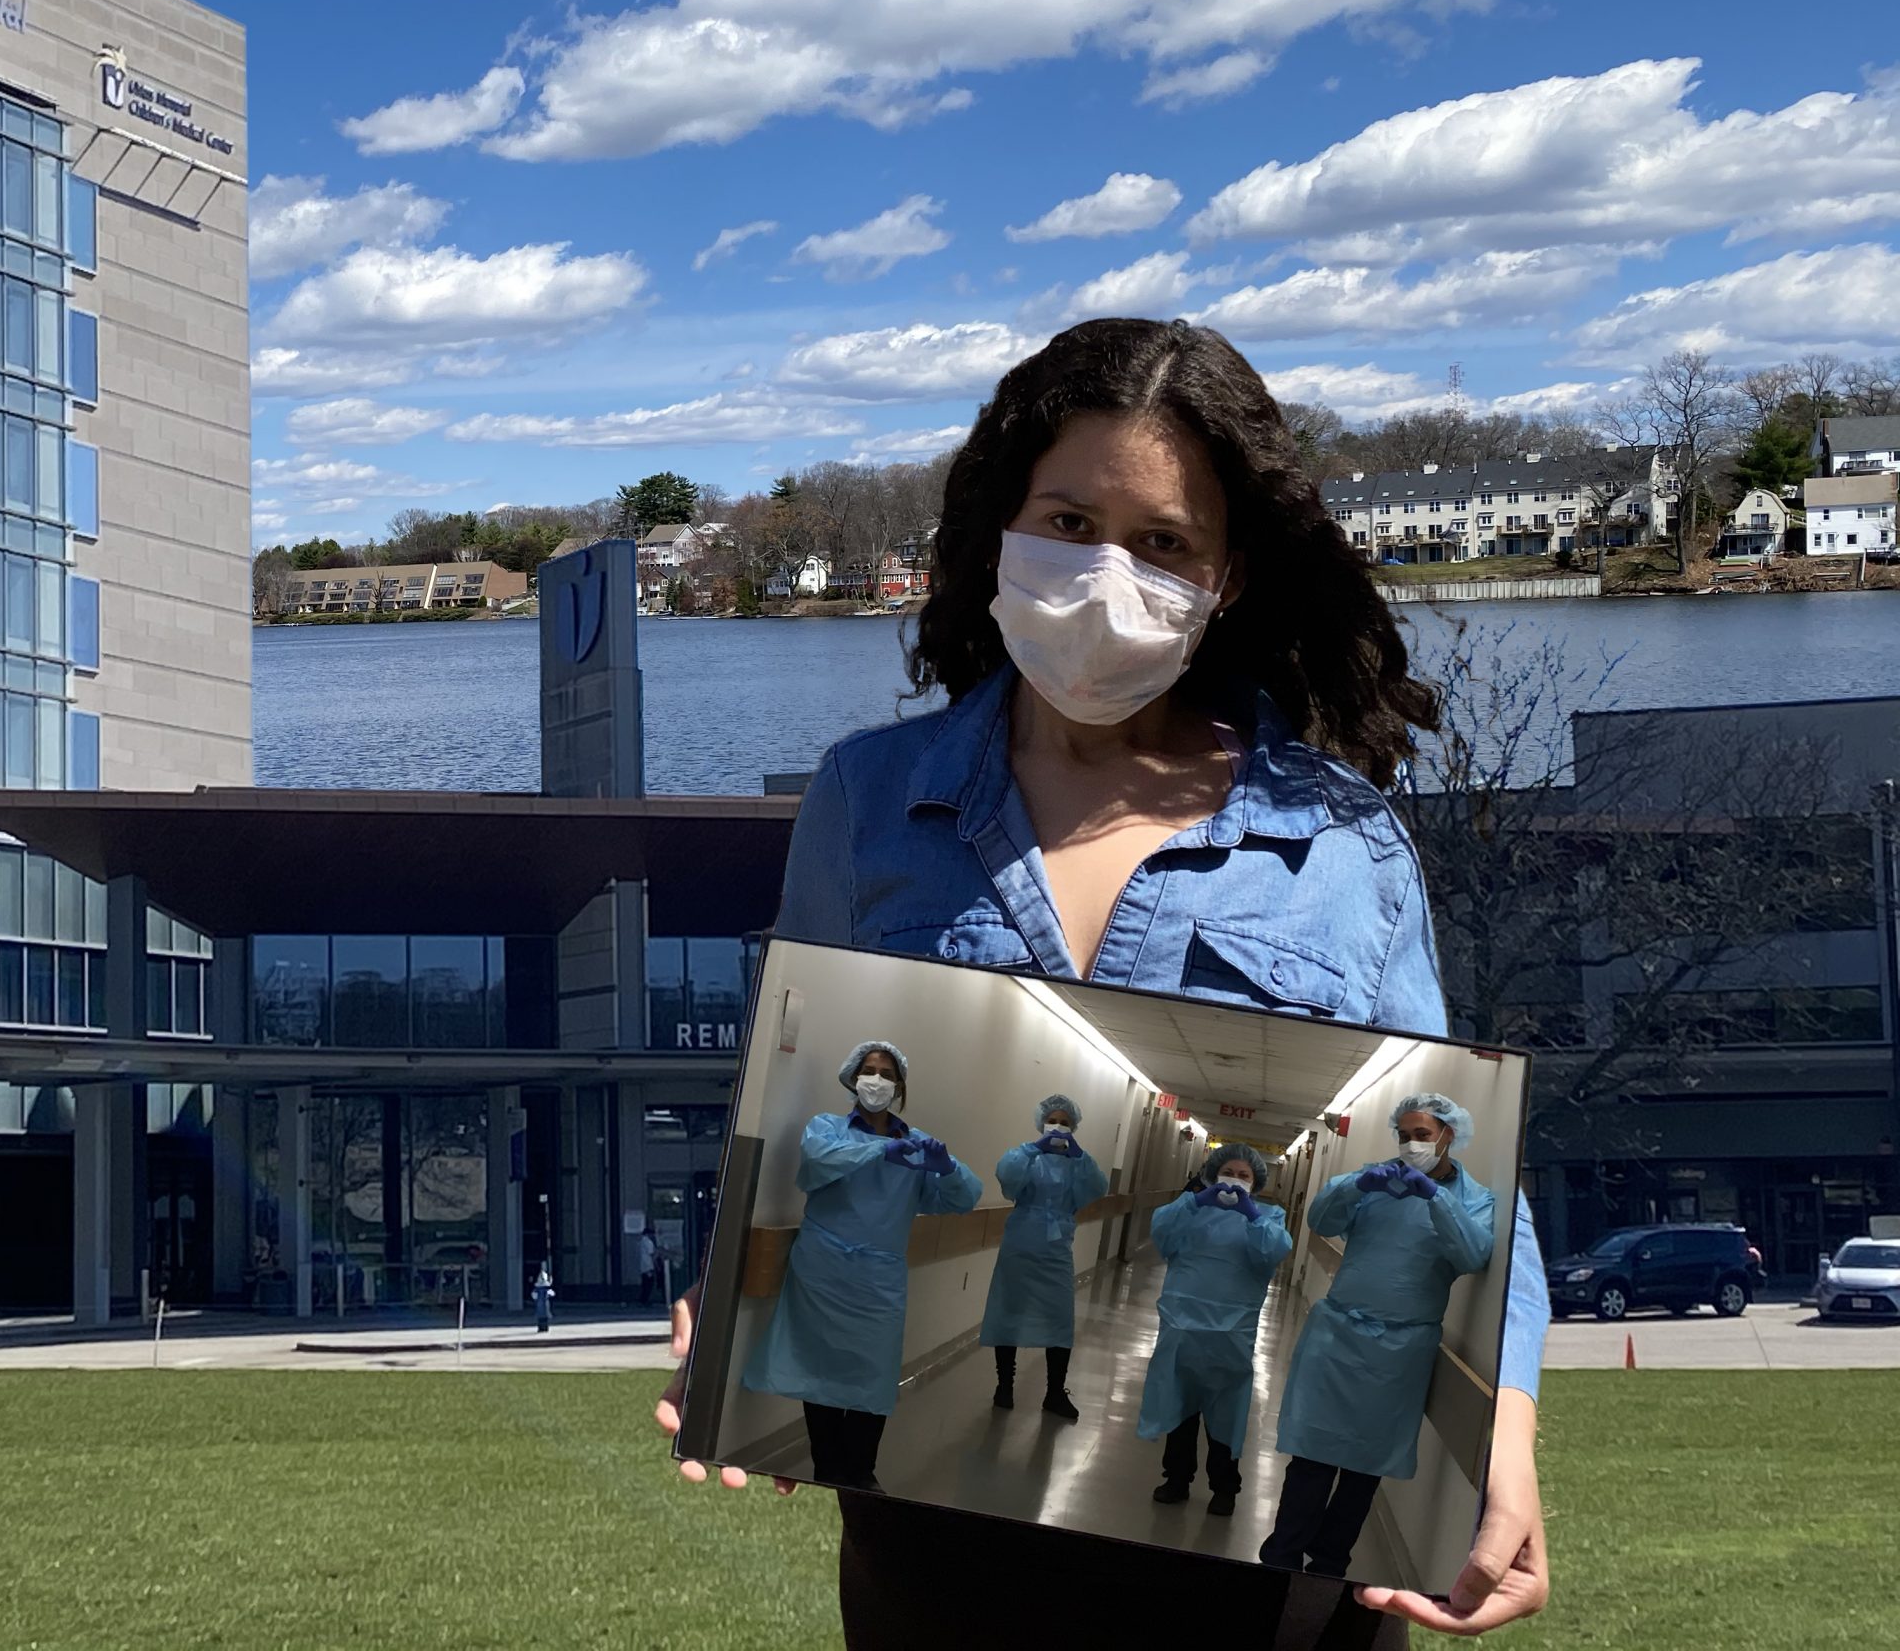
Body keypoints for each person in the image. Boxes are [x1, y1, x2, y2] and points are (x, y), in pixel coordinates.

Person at [656, 320, 1551, 1645]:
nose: (1106, 576)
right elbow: (787, 1120)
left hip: (1269, 1573)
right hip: (944, 1551)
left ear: (1231, 573)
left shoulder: (1345, 841)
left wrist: (1506, 1434)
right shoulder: (865, 797)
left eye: (1165, 543)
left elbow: (1474, 1179)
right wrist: (737, 1312)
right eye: (1070, 521)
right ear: (1001, 529)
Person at [1262, 1093, 1498, 1580]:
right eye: (1405, 1135)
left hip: (1403, 1349)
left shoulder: (1474, 1199)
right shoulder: (1372, 1181)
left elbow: (1473, 1256)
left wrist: (1436, 1200)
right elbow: (1322, 1222)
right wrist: (1353, 1186)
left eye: (1423, 1135)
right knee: (1311, 1455)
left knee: (1365, 1468)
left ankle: (1328, 1565)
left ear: (1449, 1135)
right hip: (1338, 1334)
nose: (1412, 1145)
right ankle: (1280, 1559)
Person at [740, 1041, 982, 1492]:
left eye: (886, 1073)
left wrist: (947, 1167)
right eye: (868, 1070)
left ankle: (861, 1472)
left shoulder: (915, 1146)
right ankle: (826, 1469)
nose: (876, 1080)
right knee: (821, 1371)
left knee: (874, 1373)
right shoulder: (827, 1129)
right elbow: (819, 1161)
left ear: (900, 1086)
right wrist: (878, 1152)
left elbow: (964, 1198)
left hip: (879, 1278)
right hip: (822, 1270)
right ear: (853, 1078)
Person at [1139, 1143, 1292, 1517]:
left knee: (1227, 1411)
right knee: (1180, 1407)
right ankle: (1176, 1480)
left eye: (1244, 1176)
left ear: (1256, 1184)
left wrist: (1252, 1216)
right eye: (1228, 1173)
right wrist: (1193, 1201)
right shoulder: (1190, 1209)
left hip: (1232, 1331)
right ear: (1211, 1175)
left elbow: (1275, 1251)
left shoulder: (1268, 1216)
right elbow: (1161, 1232)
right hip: (1182, 1324)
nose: (1235, 1182)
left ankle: (1225, 1488)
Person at [978, 1093, 1108, 1419]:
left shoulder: (1078, 1164)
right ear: (1041, 1123)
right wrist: (1031, 1150)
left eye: (1065, 1123)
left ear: (1074, 1127)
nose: (1058, 1127)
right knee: (1009, 1312)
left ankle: (1054, 1393)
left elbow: (1097, 1187)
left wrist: (1081, 1158)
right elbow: (1008, 1178)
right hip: (1020, 1246)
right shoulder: (1025, 1156)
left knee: (1059, 1320)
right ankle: (1004, 1386)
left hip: (1056, 1251)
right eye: (1053, 1121)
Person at [639, 1226, 661, 1308]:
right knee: (649, 1283)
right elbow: (652, 1255)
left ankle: (643, 1299)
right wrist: (657, 1265)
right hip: (649, 1265)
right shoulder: (649, 1242)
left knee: (645, 1283)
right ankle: (645, 1299)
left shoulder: (642, 1241)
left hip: (643, 1265)